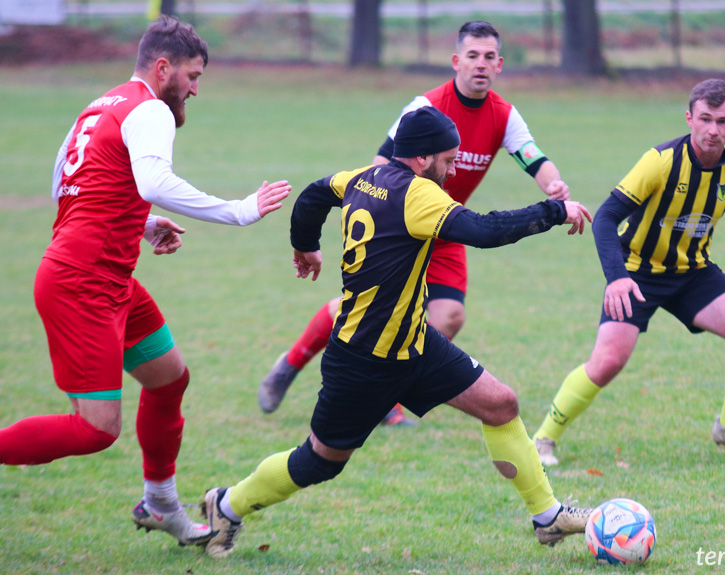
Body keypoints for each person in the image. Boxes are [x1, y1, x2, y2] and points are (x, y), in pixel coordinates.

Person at [201, 107, 594, 558]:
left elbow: (313, 194)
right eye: (449, 159)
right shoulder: (417, 195)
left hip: (415, 344)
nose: (453, 169)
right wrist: (554, 210)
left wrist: (305, 245)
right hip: (363, 360)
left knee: (500, 403)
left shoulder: (362, 177)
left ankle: (547, 517)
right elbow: (483, 231)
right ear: (424, 159)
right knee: (318, 461)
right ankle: (226, 505)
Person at [0, 16, 291, 547]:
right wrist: (239, 210)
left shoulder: (101, 105)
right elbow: (153, 179)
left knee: (168, 379)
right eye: (193, 76)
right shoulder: (152, 107)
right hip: (82, 282)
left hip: (107, 277)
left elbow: (68, 186)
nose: (196, 90)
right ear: (164, 68)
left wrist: (142, 224)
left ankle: (159, 502)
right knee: (94, 430)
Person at [257, 21, 572, 423]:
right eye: (472, 56)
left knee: (449, 316)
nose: (480, 64)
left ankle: (387, 390)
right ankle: (291, 363)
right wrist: (379, 212)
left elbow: (536, 160)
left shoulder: (505, 116)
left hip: (450, 226)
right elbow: (379, 163)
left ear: (500, 65)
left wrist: (556, 186)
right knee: (368, 309)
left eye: (489, 57)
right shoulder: (425, 106)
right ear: (456, 61)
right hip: (400, 225)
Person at [532, 79, 725, 467]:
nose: (713, 129)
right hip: (637, 272)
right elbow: (606, 217)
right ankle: (543, 438)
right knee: (608, 361)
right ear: (689, 118)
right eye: (705, 118)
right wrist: (617, 277)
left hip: (694, 273)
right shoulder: (661, 162)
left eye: (722, 121)